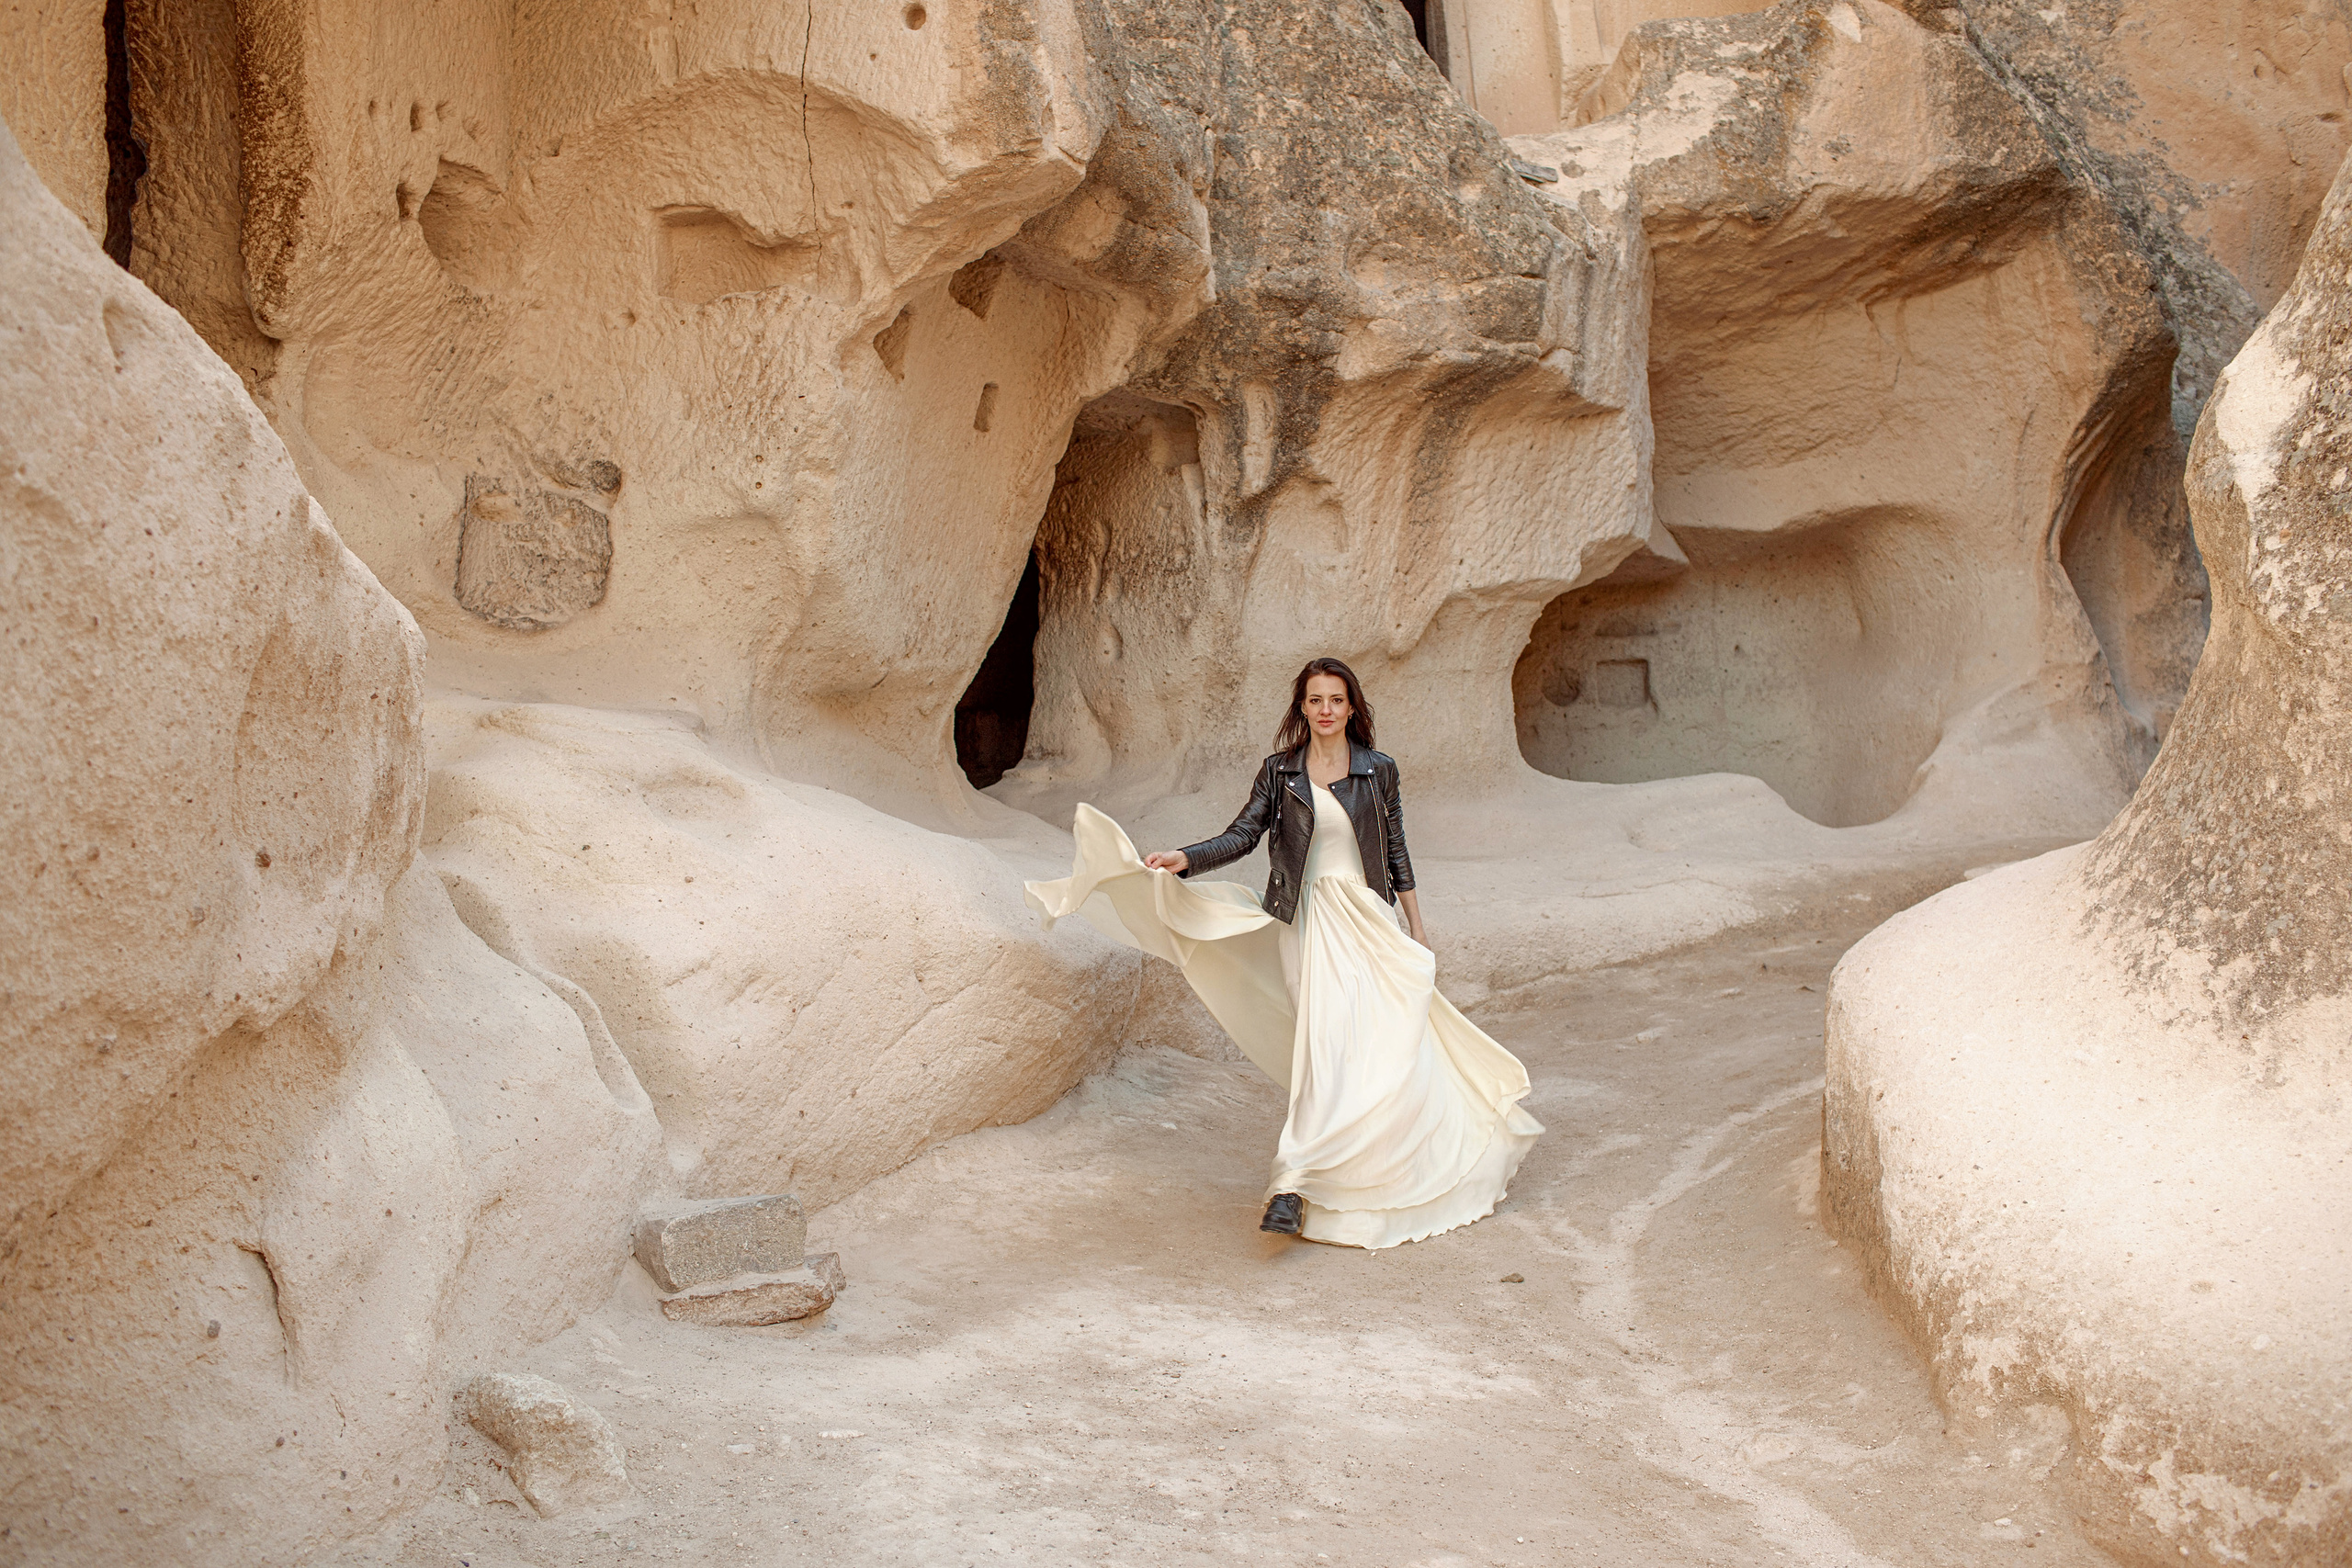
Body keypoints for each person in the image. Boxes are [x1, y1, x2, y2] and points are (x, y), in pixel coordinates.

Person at [1023, 658, 1542, 1248]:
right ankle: (1295, 1185)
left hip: (1368, 921)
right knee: (1325, 1050)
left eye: (1336, 700)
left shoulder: (1379, 771)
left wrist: (1416, 927)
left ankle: (1361, 1173)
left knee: (1387, 1044)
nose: (1325, 710)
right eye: (1315, 700)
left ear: (1352, 708)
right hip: (1307, 923)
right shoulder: (1280, 772)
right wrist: (1185, 858)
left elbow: (1396, 848)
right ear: (1302, 707)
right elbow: (1243, 834)